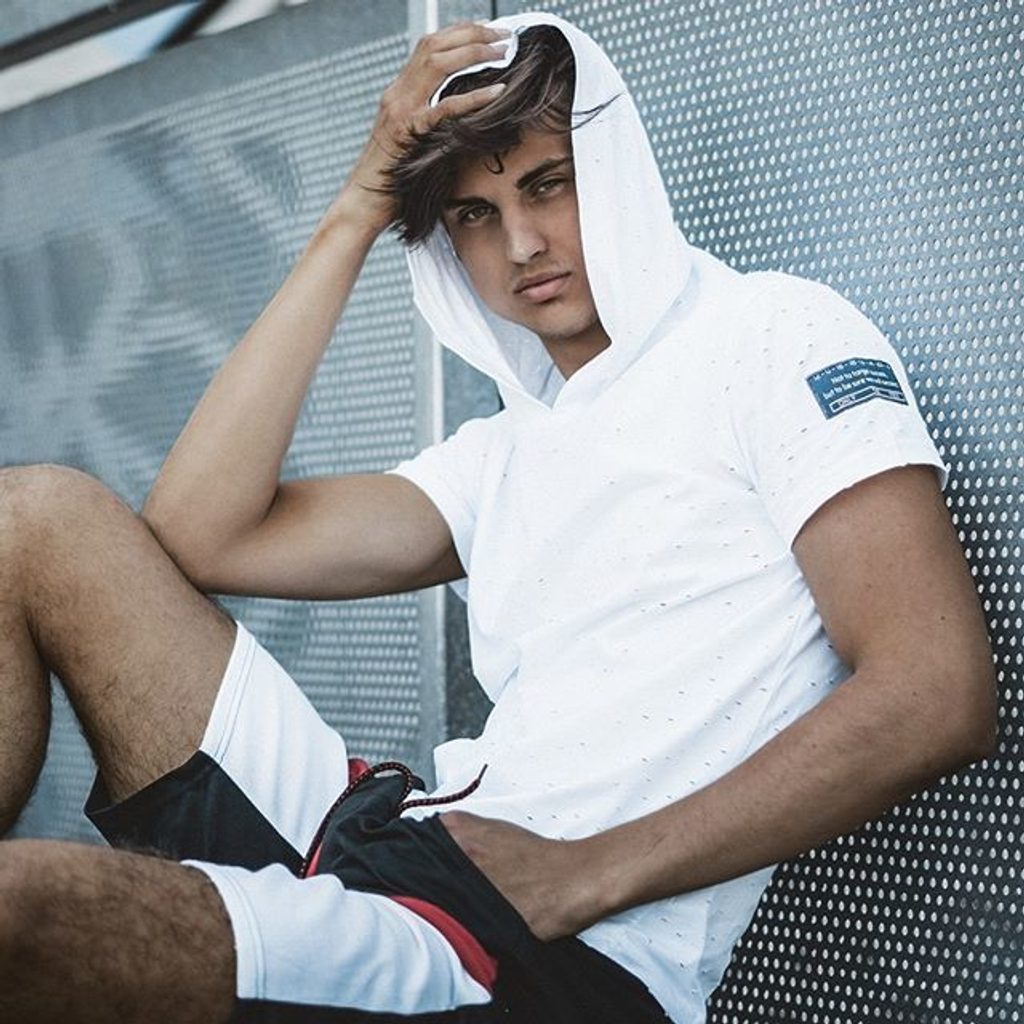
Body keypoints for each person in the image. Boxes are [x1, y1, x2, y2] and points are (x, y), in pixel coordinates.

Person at [0, 11, 997, 1024]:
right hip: (392, 840)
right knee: (35, 520)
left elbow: (934, 689)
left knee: (21, 909)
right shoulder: (505, 449)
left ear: (611, 169)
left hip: (539, 955)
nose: (521, 243)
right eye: (474, 214)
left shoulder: (771, 335)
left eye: (547, 184)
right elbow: (199, 531)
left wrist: (584, 874)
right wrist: (359, 206)